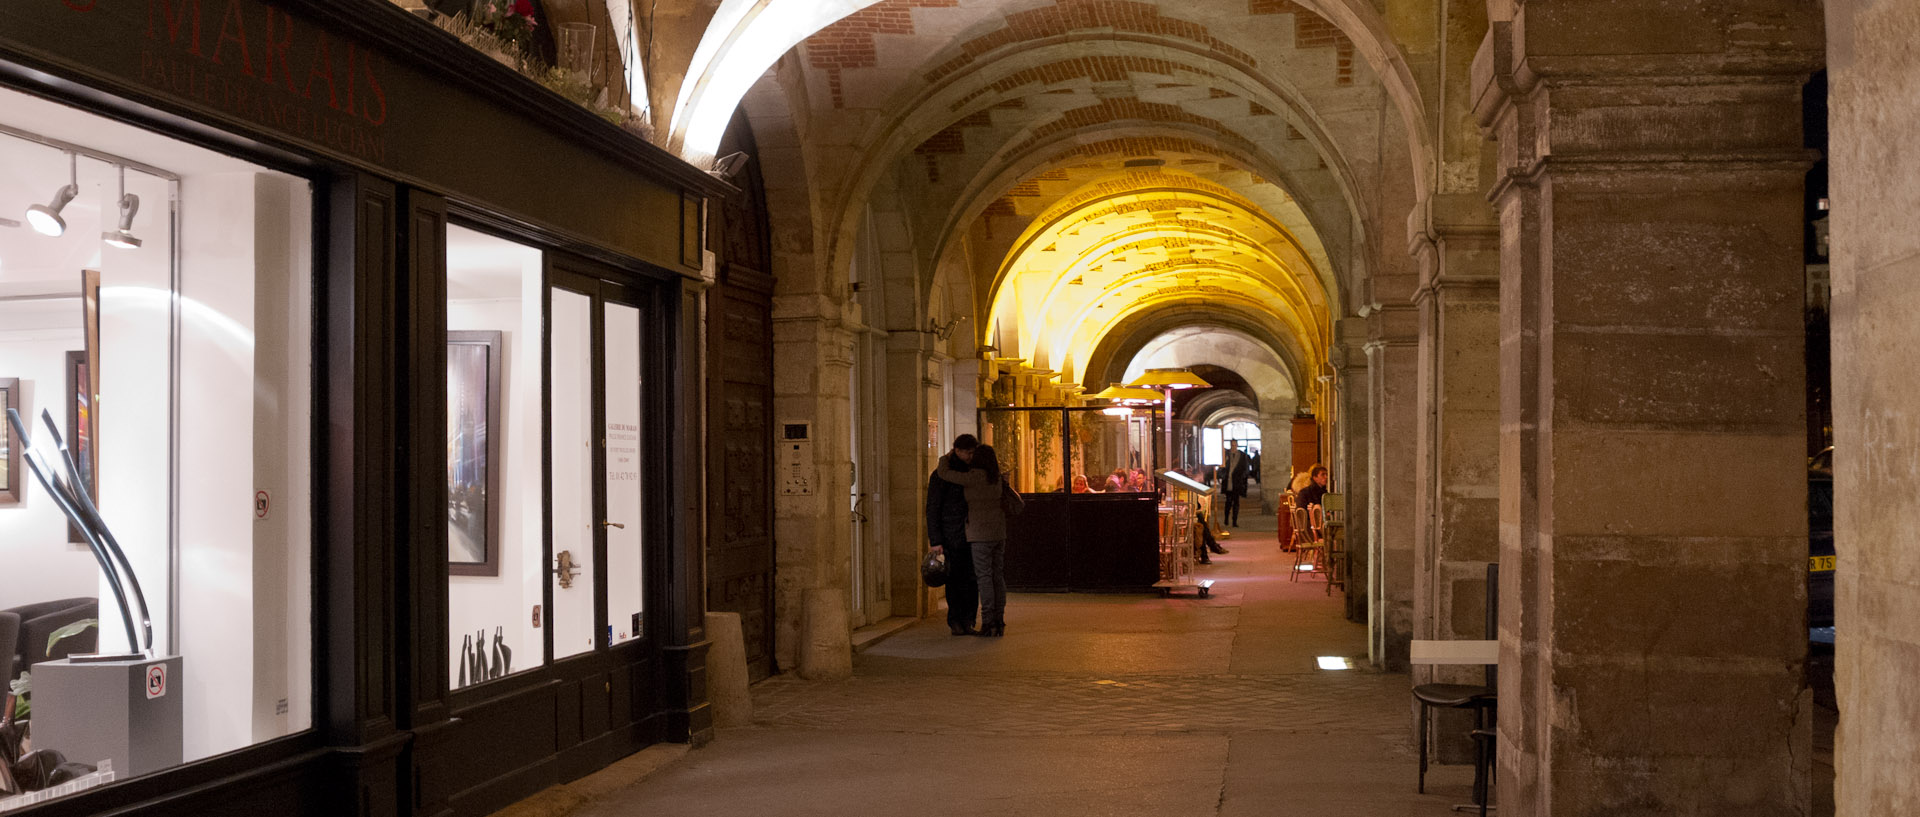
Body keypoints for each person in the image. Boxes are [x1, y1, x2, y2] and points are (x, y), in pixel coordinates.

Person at [936, 444, 1023, 637]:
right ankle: (999, 620)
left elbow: (944, 473)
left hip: (979, 535)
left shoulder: (973, 477)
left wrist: (947, 456)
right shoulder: (997, 478)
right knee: (997, 576)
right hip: (999, 533)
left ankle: (988, 621)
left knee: (984, 578)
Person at [925, 434, 980, 636]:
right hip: (952, 535)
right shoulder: (941, 475)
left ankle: (968, 619)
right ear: (957, 450)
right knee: (955, 579)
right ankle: (956, 620)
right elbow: (933, 508)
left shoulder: (973, 471)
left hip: (969, 532)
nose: (970, 456)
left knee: (971, 579)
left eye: (973, 452)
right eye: (968, 452)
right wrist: (936, 540)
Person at [1222, 441, 1252, 527]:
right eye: (1232, 445)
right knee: (1228, 501)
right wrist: (1223, 475)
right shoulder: (1227, 455)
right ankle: (1226, 519)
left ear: (1237, 446)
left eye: (1235, 445)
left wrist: (1242, 477)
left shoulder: (1242, 455)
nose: (1233, 447)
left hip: (1237, 482)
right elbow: (1223, 467)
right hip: (1228, 481)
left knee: (1236, 502)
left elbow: (1245, 468)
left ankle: (1234, 521)